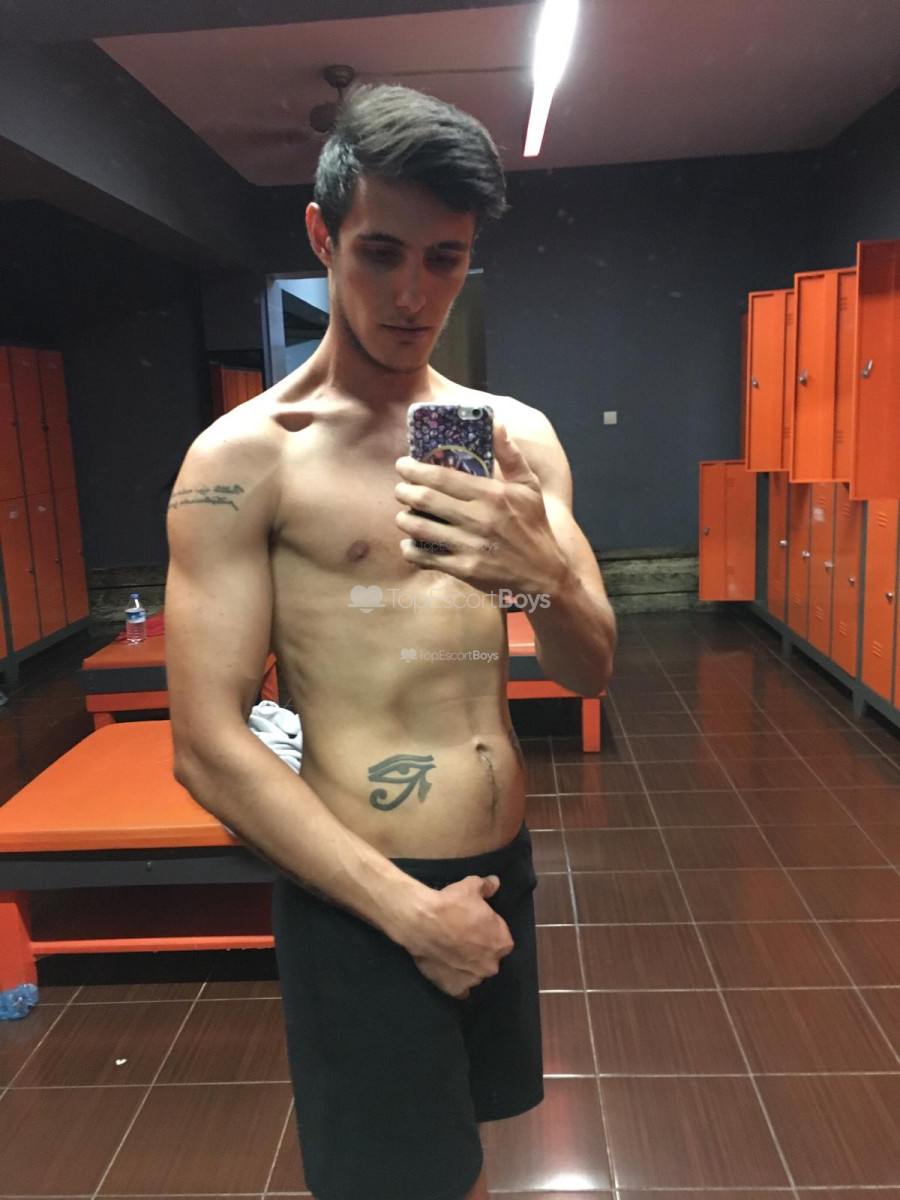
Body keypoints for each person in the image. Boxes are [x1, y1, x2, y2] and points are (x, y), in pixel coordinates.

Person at [165, 84, 616, 1200]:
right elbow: (207, 743)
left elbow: (589, 669)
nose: (414, 295)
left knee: (454, 1153)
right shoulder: (246, 459)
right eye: (381, 253)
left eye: (444, 260)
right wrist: (411, 916)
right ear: (322, 237)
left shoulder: (512, 439)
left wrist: (542, 574)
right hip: (366, 898)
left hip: (499, 871)